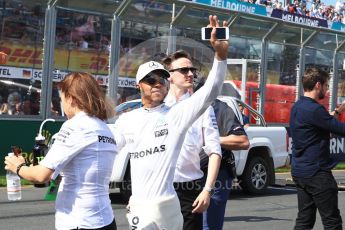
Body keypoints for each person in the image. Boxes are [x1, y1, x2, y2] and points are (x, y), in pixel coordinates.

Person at [111, 15, 228, 230]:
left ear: (168, 83)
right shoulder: (126, 120)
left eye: (162, 79)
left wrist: (220, 56)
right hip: (140, 207)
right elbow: (106, 151)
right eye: (151, 80)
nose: (157, 84)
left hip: (171, 205)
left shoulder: (177, 114)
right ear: (139, 85)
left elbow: (211, 91)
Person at [4, 72, 117, 230]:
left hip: (79, 221)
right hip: (105, 220)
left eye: (62, 99)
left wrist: (18, 166)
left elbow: (41, 176)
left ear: (71, 98)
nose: (62, 105)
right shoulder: (105, 128)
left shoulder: (76, 125)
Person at [163, 50, 222, 230]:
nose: (190, 74)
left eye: (192, 70)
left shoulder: (203, 108)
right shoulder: (159, 107)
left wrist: (207, 190)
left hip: (189, 189)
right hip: (161, 188)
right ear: (170, 76)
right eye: (184, 70)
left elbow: (215, 151)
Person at [290, 67, 345, 230]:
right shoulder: (314, 109)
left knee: (304, 220)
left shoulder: (298, 106)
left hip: (301, 171)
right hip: (317, 173)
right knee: (332, 222)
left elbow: (324, 124)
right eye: (327, 86)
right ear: (318, 85)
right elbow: (339, 129)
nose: (327, 90)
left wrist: (337, 112)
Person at [194, 77, 249, 230]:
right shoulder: (178, 108)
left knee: (208, 226)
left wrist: (211, 139)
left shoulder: (220, 108)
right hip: (185, 175)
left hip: (215, 176)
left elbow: (243, 141)